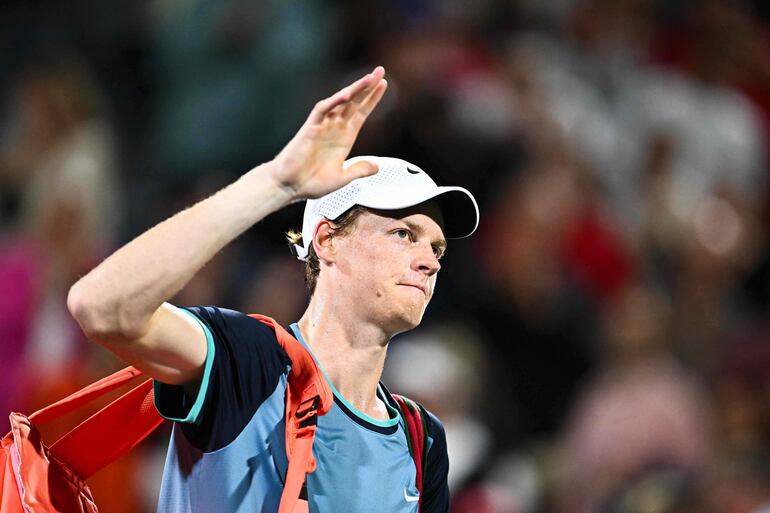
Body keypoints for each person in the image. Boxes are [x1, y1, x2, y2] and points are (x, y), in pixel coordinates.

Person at [67, 66, 479, 513]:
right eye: (404, 234)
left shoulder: (423, 441)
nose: (430, 261)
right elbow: (101, 308)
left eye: (436, 247)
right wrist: (276, 184)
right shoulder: (251, 360)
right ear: (326, 240)